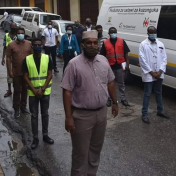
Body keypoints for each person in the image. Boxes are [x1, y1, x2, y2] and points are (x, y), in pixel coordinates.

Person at [61, 30, 118, 176]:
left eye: (95, 42)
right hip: (81, 116)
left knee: (95, 151)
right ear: (82, 45)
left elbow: (110, 82)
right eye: (89, 43)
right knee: (80, 154)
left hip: (101, 114)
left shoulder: (103, 60)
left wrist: (115, 102)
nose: (92, 45)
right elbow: (67, 91)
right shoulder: (73, 64)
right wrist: (69, 117)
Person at [23, 38, 54, 149]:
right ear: (32, 47)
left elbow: (50, 74)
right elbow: (25, 76)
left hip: (45, 92)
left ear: (42, 46)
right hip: (33, 93)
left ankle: (45, 135)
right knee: (34, 115)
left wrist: (42, 89)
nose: (37, 47)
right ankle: (35, 138)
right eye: (35, 45)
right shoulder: (27, 59)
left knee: (45, 114)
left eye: (39, 45)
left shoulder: (47, 58)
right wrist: (34, 90)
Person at [139, 26, 169, 124]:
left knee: (159, 92)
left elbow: (164, 58)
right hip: (149, 73)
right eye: (151, 33)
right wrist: (151, 72)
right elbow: (142, 60)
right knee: (147, 94)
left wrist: (160, 71)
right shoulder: (143, 44)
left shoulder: (161, 44)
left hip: (159, 72)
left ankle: (160, 110)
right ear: (147, 33)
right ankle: (144, 113)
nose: (153, 34)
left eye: (154, 32)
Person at [6, 27, 33, 118]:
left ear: (24, 34)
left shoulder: (29, 44)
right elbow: (8, 58)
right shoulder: (11, 45)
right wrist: (9, 71)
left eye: (22, 33)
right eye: (19, 33)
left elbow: (33, 57)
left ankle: (23, 107)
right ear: (16, 34)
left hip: (27, 73)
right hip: (16, 72)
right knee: (17, 91)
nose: (21, 34)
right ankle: (16, 108)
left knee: (25, 90)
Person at [100, 27, 131, 107]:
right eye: (112, 32)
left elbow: (126, 53)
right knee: (110, 83)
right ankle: (109, 99)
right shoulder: (105, 43)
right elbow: (102, 55)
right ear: (109, 34)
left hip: (119, 66)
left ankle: (123, 99)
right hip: (109, 67)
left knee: (121, 83)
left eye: (114, 32)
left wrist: (127, 64)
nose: (113, 34)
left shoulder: (121, 41)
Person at [1, 22, 17, 97]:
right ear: (10, 27)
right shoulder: (6, 35)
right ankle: (9, 90)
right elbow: (4, 47)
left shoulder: (18, 35)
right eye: (13, 26)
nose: (14, 28)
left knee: (18, 74)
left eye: (15, 26)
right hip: (9, 59)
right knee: (9, 74)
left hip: (17, 58)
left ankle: (17, 89)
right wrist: (3, 58)